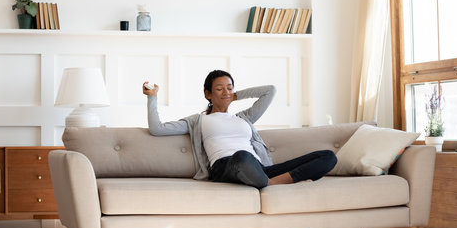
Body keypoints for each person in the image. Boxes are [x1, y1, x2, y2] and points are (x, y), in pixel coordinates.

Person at [142, 70, 337, 188]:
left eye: (229, 87)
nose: (226, 92)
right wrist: (152, 96)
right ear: (207, 94)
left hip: (260, 169)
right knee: (243, 156)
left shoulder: (244, 118)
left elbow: (270, 90)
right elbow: (157, 129)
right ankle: (277, 184)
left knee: (328, 156)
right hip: (226, 166)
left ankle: (272, 183)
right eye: (219, 89)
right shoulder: (198, 121)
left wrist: (234, 96)